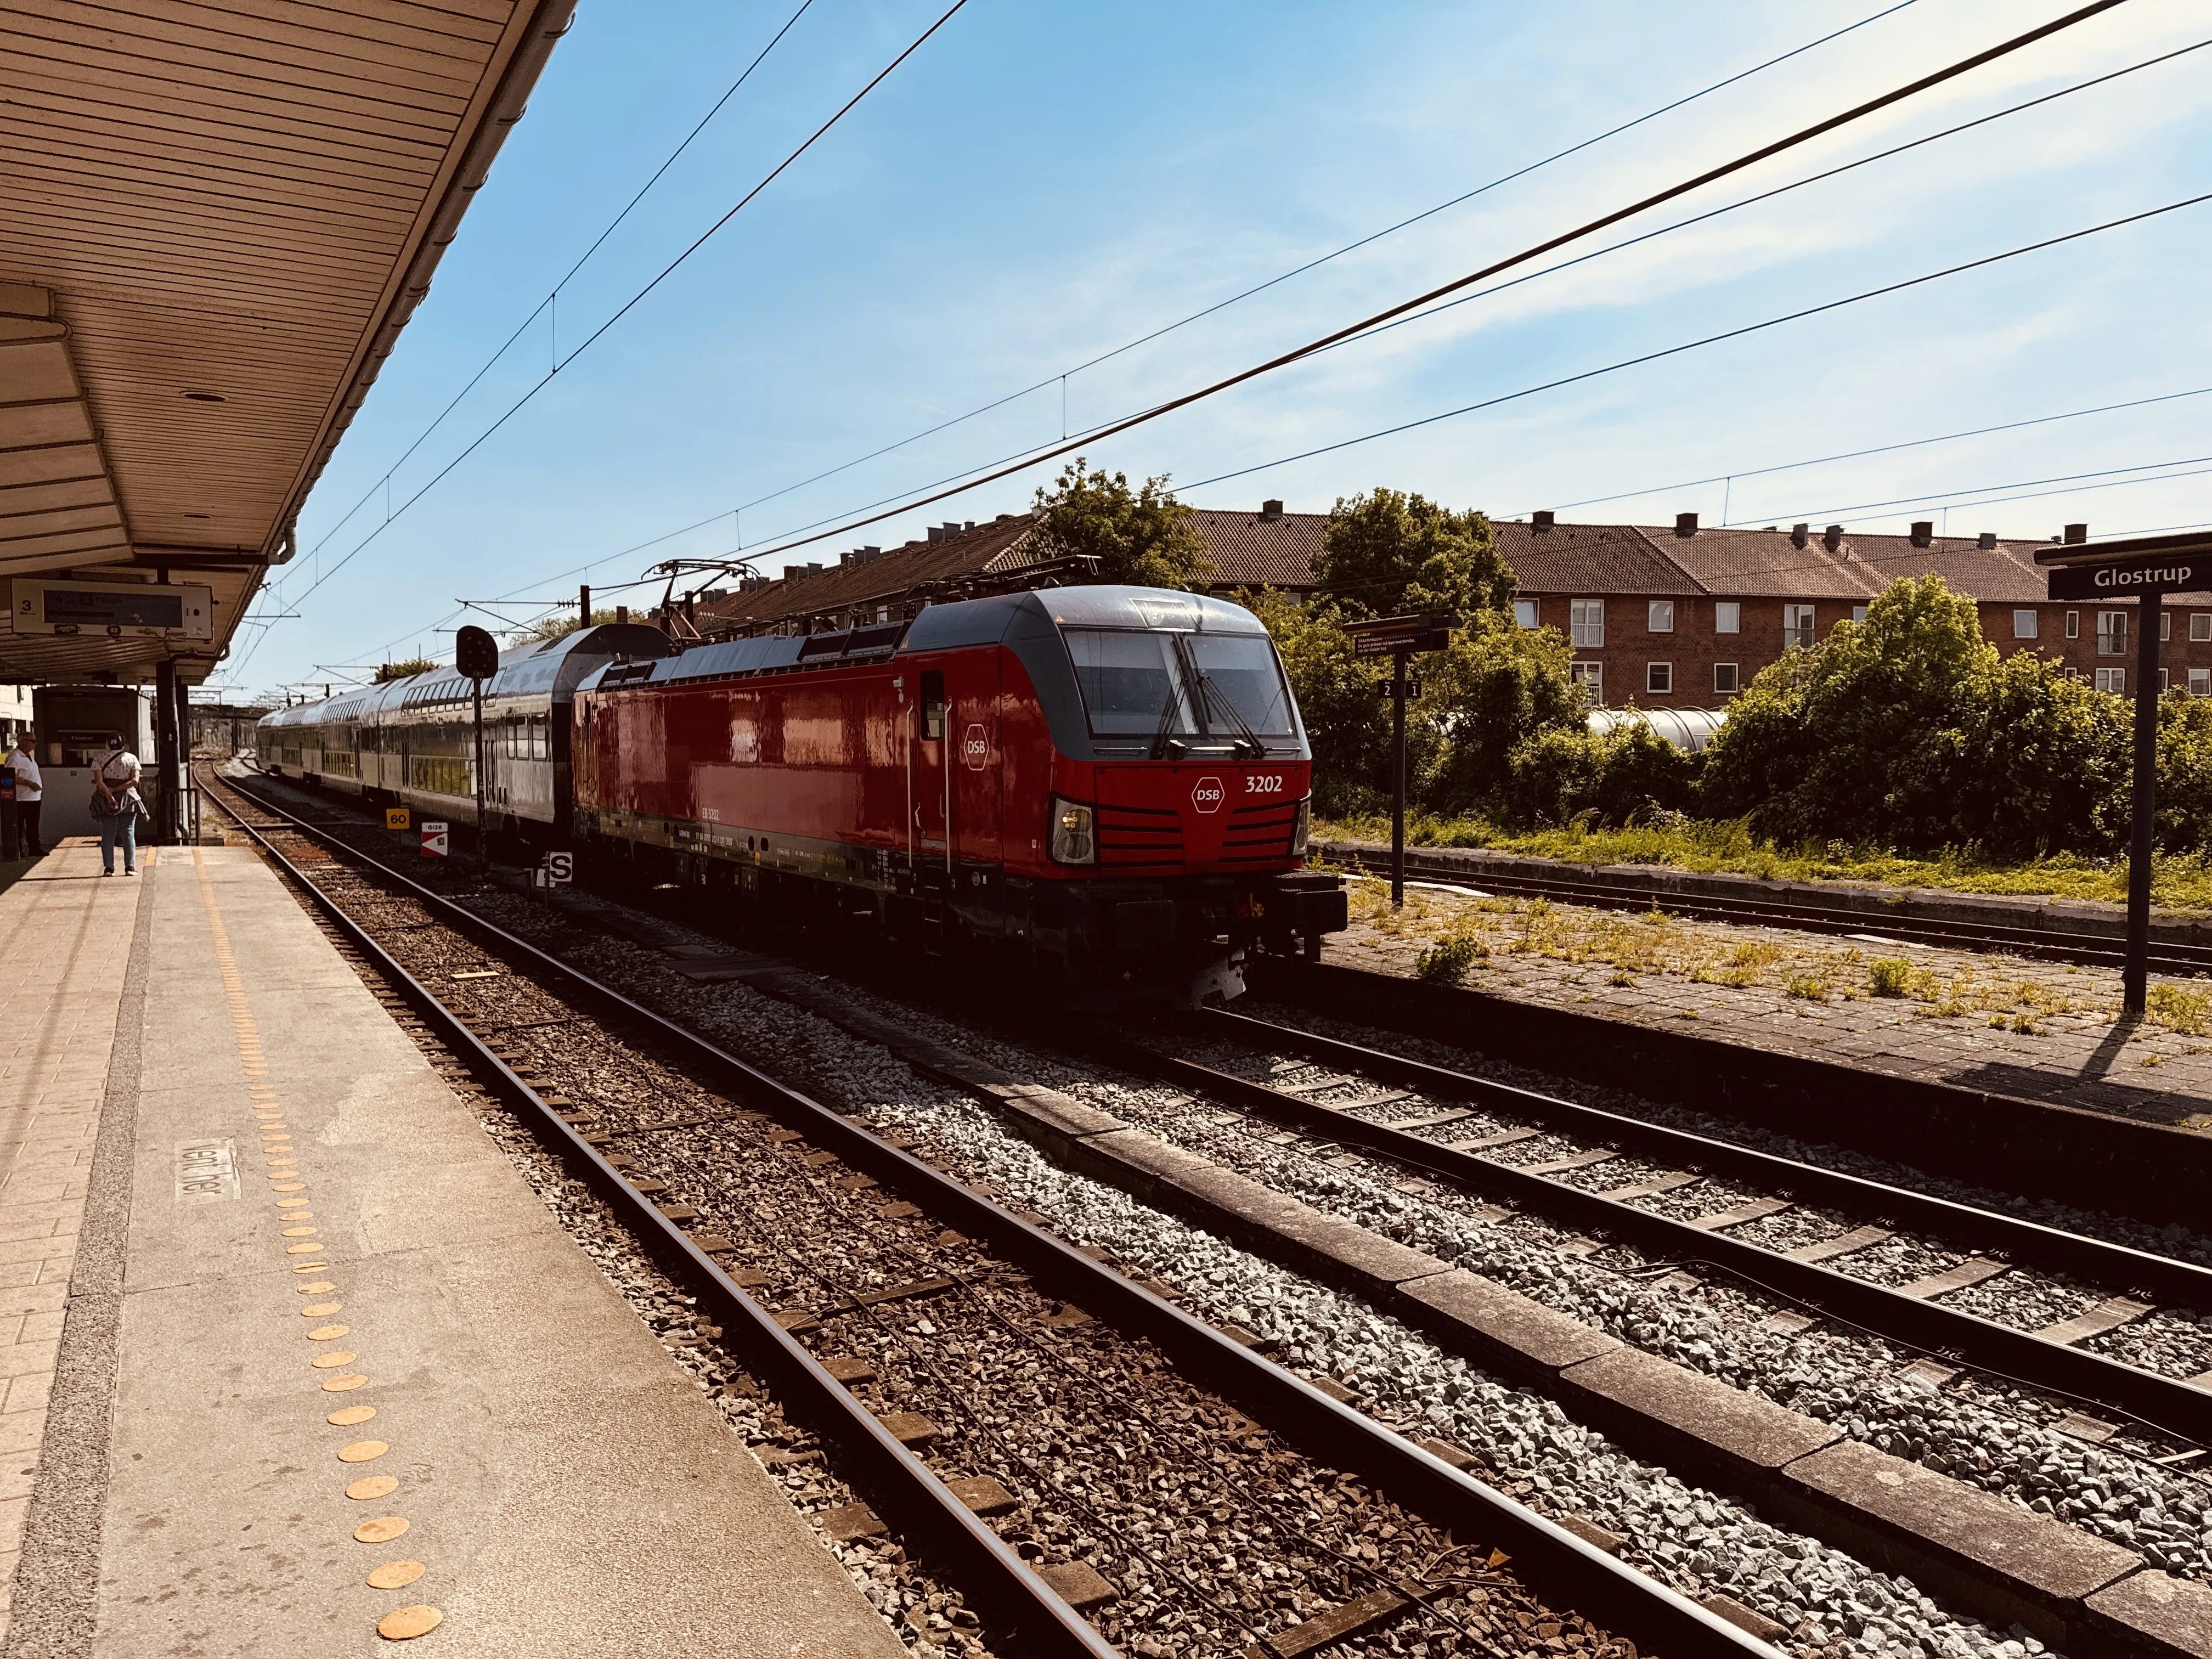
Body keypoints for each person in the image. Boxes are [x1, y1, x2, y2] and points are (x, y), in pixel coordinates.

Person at [91, 734, 143, 877]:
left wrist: (109, 794)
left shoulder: (99, 758)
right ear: (123, 745)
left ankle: (109, 868)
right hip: (128, 798)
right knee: (128, 832)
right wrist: (116, 790)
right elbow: (135, 781)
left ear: (108, 744)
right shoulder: (132, 758)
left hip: (104, 799)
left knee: (108, 834)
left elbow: (99, 782)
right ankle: (130, 867)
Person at [5, 735, 40, 859]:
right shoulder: (15, 757)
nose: (35, 744)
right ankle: (18, 850)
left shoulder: (29, 756)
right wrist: (29, 784)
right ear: (23, 742)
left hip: (34, 798)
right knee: (19, 826)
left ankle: (35, 848)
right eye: (33, 741)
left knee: (33, 825)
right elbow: (10, 776)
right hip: (21, 798)